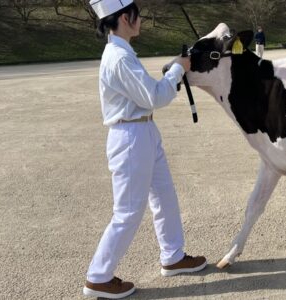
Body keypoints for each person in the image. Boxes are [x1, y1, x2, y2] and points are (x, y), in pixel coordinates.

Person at [83, 0, 206, 298]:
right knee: (127, 211)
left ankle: (173, 256)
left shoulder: (122, 52)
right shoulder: (119, 58)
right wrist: (178, 69)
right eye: (138, 16)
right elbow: (155, 96)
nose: (141, 20)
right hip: (130, 135)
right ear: (126, 18)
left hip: (142, 130)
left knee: (164, 195)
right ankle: (98, 276)